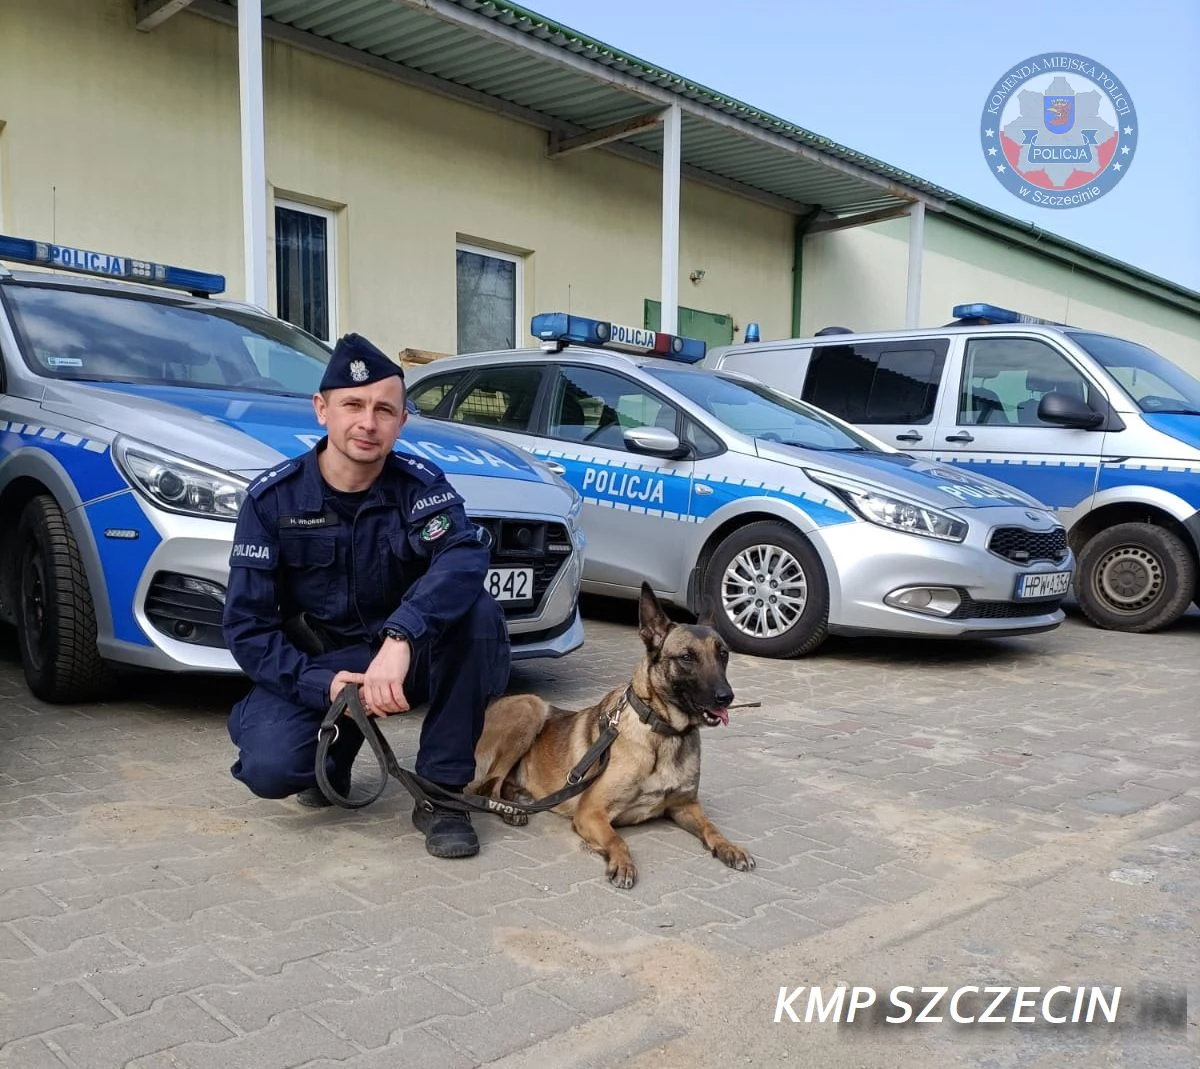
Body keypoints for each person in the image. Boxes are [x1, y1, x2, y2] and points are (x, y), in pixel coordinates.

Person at [222, 332, 511, 859]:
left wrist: (402, 635)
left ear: (401, 422)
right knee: (271, 769)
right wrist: (321, 684)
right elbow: (247, 628)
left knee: (477, 613)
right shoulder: (272, 502)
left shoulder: (420, 487)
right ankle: (335, 747)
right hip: (322, 663)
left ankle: (442, 795)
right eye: (352, 405)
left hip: (401, 656)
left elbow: (463, 557)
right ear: (321, 410)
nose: (367, 422)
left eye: (384, 409)